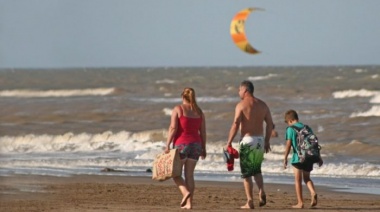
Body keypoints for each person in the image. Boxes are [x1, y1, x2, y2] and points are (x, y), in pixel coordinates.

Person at [225, 80, 273, 209]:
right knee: (256, 169)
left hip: (247, 140)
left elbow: (235, 124)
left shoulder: (241, 105)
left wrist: (229, 142)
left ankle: (250, 201)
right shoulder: (263, 105)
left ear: (245, 90)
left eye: (239, 90)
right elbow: (270, 124)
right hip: (259, 140)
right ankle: (261, 190)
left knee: (246, 173)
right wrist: (267, 141)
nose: (238, 92)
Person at [165, 87, 207, 209]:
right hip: (196, 145)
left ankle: (185, 192)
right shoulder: (199, 112)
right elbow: (203, 132)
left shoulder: (178, 109)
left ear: (182, 96)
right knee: (189, 175)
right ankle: (189, 204)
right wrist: (204, 148)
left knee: (175, 174)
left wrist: (167, 145)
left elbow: (173, 128)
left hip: (182, 145)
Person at [283, 109, 323, 209]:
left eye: (288, 123)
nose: (288, 125)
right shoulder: (307, 128)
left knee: (298, 180)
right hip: (309, 157)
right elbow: (314, 143)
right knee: (307, 178)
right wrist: (319, 157)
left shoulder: (290, 129)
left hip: (298, 158)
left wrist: (285, 158)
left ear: (291, 120)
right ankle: (313, 192)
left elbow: (288, 145)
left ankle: (300, 203)